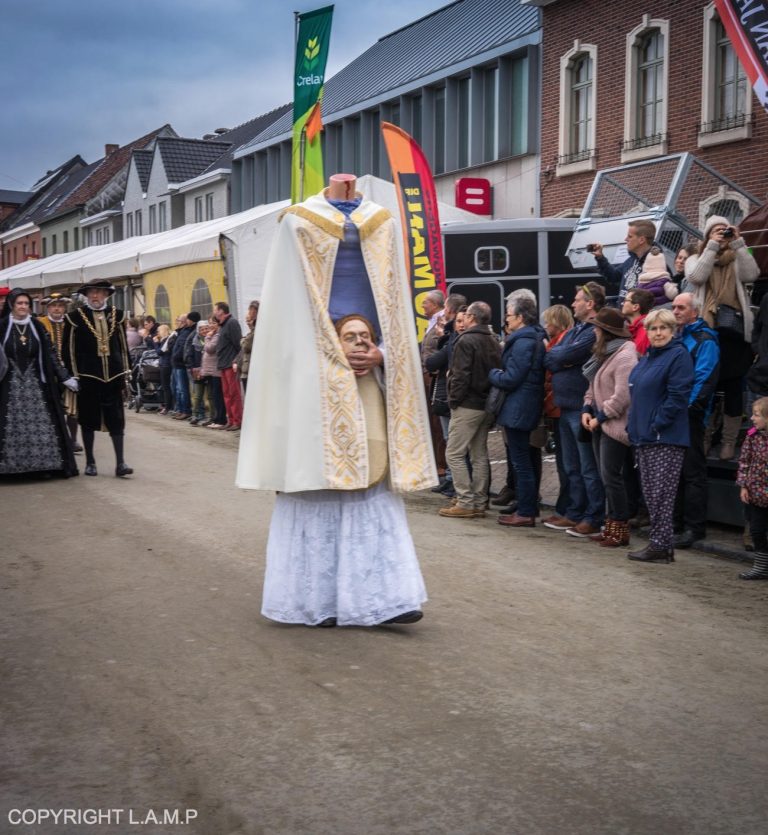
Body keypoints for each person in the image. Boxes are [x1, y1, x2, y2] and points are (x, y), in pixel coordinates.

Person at [236, 173, 436, 627]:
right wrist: (325, 354)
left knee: (372, 479)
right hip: (313, 378)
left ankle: (384, 598)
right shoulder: (296, 223)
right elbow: (287, 315)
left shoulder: (382, 222)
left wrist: (382, 352)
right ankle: (314, 601)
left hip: (367, 374)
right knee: (317, 483)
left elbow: (394, 307)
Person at [684, 215, 760, 460]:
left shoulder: (737, 255)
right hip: (708, 331)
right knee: (708, 385)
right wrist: (712, 247)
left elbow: (752, 275)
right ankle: (705, 436)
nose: (722, 234)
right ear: (706, 235)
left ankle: (729, 441)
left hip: (735, 332)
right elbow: (696, 277)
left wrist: (738, 243)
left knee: (734, 387)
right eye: (715, 231)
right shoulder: (697, 257)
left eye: (724, 230)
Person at [626, 308, 693, 563]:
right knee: (652, 494)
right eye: (653, 328)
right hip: (644, 437)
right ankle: (661, 546)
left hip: (665, 437)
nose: (658, 333)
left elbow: (678, 395)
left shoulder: (678, 356)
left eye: (663, 327)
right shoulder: (646, 359)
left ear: (672, 330)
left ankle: (659, 545)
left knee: (660, 495)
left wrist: (657, 423)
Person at [542, 282, 606, 537]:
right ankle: (574, 512)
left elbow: (558, 357)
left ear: (590, 304)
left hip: (582, 407)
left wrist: (562, 358)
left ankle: (593, 516)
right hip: (566, 406)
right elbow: (551, 356)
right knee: (572, 465)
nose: (573, 303)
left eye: (577, 299)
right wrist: (563, 357)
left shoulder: (593, 331)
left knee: (587, 466)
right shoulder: (574, 331)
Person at [0, 289, 78, 478]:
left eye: (26, 304)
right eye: (19, 303)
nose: (23, 307)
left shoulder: (36, 325)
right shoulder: (2, 326)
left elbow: (50, 354)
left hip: (36, 383)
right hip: (9, 383)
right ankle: (10, 469)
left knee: (44, 424)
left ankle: (44, 467)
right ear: (12, 305)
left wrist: (64, 376)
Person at [62, 278, 133, 477]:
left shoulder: (117, 316)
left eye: (99, 292)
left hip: (114, 375)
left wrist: (127, 372)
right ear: (86, 295)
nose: (95, 296)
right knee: (88, 419)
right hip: (87, 376)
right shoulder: (75, 317)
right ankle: (90, 462)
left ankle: (121, 463)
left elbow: (123, 346)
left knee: (117, 420)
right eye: (92, 292)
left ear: (106, 295)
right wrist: (73, 376)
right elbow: (69, 350)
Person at [439, 301, 502, 519]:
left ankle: (465, 501)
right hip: (486, 404)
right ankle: (479, 500)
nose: (463, 319)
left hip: (467, 404)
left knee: (454, 453)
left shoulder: (466, 340)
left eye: (466, 316)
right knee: (479, 454)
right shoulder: (493, 340)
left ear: (472, 317)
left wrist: (453, 400)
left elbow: (460, 375)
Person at [581, 308, 638, 547]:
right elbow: (594, 386)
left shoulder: (625, 356)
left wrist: (600, 416)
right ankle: (611, 526)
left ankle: (620, 528)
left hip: (615, 425)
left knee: (612, 477)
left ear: (606, 332)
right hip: (599, 422)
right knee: (607, 477)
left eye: (596, 328)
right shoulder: (605, 354)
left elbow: (623, 395)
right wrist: (586, 407)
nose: (593, 331)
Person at [491, 295, 546, 527]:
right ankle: (526, 507)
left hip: (519, 406)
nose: (506, 319)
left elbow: (513, 377)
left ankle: (525, 511)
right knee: (523, 460)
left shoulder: (524, 342)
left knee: (521, 461)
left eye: (509, 315)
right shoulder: (530, 338)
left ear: (520, 317)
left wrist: (493, 374)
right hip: (522, 405)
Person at [671, 293, 720, 549]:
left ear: (695, 312)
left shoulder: (705, 339)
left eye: (682, 307)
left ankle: (694, 527)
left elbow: (704, 379)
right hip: (674, 413)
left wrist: (688, 407)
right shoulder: (676, 336)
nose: (676, 311)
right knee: (677, 472)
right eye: (674, 307)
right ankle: (676, 524)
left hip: (691, 415)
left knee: (692, 472)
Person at [540, 304, 574, 520]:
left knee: (568, 462)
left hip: (558, 408)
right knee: (564, 461)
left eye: (548, 321)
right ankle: (564, 507)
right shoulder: (555, 342)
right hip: (555, 407)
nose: (546, 325)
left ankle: (567, 508)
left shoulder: (560, 343)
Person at [39, 292, 82, 452]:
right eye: (54, 306)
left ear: (64, 308)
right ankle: (55, 439)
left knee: (72, 408)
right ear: (48, 308)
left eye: (60, 306)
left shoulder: (71, 323)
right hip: (48, 371)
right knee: (51, 406)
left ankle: (73, 440)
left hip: (69, 371)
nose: (57, 309)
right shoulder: (40, 323)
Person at [590, 219, 658, 305]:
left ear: (641, 240)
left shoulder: (656, 264)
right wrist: (600, 257)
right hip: (625, 314)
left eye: (630, 236)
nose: (625, 239)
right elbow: (613, 276)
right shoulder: (631, 260)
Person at [736, 397, 768, 579]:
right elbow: (744, 462)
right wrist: (743, 486)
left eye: (757, 415)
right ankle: (761, 567)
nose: (752, 418)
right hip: (756, 494)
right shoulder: (752, 436)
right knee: (756, 530)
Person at [214, 301, 244, 431]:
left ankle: (238, 421)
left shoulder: (232, 323)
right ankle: (230, 420)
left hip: (230, 364)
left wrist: (236, 361)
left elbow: (238, 344)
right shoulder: (222, 325)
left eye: (215, 309)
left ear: (221, 311)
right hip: (223, 364)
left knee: (234, 394)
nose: (214, 312)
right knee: (226, 394)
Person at [170, 313, 197, 420]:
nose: (178, 323)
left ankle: (185, 410)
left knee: (182, 389)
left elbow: (182, 348)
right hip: (176, 363)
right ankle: (180, 409)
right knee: (177, 388)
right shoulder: (180, 332)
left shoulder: (186, 332)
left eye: (180, 321)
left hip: (180, 363)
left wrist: (175, 357)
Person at [234, 300, 259, 393]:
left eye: (250, 320)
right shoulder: (250, 333)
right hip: (246, 371)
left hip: (250, 371)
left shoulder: (254, 331)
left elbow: (246, 346)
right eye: (247, 321)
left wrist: (243, 340)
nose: (248, 322)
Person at [621, 288, 654, 356]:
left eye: (625, 300)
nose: (622, 303)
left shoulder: (645, 333)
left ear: (635, 307)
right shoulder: (629, 328)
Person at [154, 324, 174, 415]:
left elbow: (159, 352)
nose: (157, 332)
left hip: (165, 365)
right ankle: (169, 406)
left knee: (166, 387)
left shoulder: (166, 340)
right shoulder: (166, 340)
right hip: (166, 364)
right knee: (167, 387)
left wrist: (156, 343)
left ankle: (168, 407)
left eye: (158, 331)